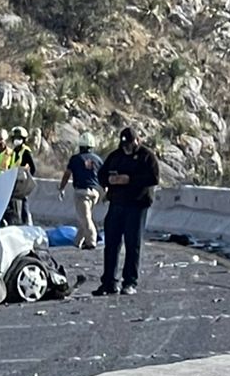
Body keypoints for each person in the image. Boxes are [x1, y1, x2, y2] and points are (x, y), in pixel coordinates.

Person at [94, 127, 160, 296]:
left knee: (132, 244)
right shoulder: (115, 156)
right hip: (116, 204)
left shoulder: (146, 156)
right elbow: (101, 173)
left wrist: (130, 180)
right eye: (124, 145)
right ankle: (109, 282)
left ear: (136, 141)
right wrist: (109, 180)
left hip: (137, 205)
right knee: (111, 244)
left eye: (129, 145)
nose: (126, 149)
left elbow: (153, 178)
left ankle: (130, 281)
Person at [57, 132, 104, 249]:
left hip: (81, 193)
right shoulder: (98, 160)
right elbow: (104, 176)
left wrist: (62, 188)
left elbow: (67, 174)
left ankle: (91, 240)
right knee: (84, 217)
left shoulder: (75, 159)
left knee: (86, 218)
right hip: (95, 193)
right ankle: (77, 241)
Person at [8, 126, 39, 225]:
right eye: (15, 138)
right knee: (12, 201)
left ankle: (26, 222)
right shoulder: (13, 152)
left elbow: (33, 167)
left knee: (24, 200)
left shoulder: (26, 152)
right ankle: (14, 220)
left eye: (19, 138)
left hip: (22, 181)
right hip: (13, 179)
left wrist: (28, 180)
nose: (17, 140)